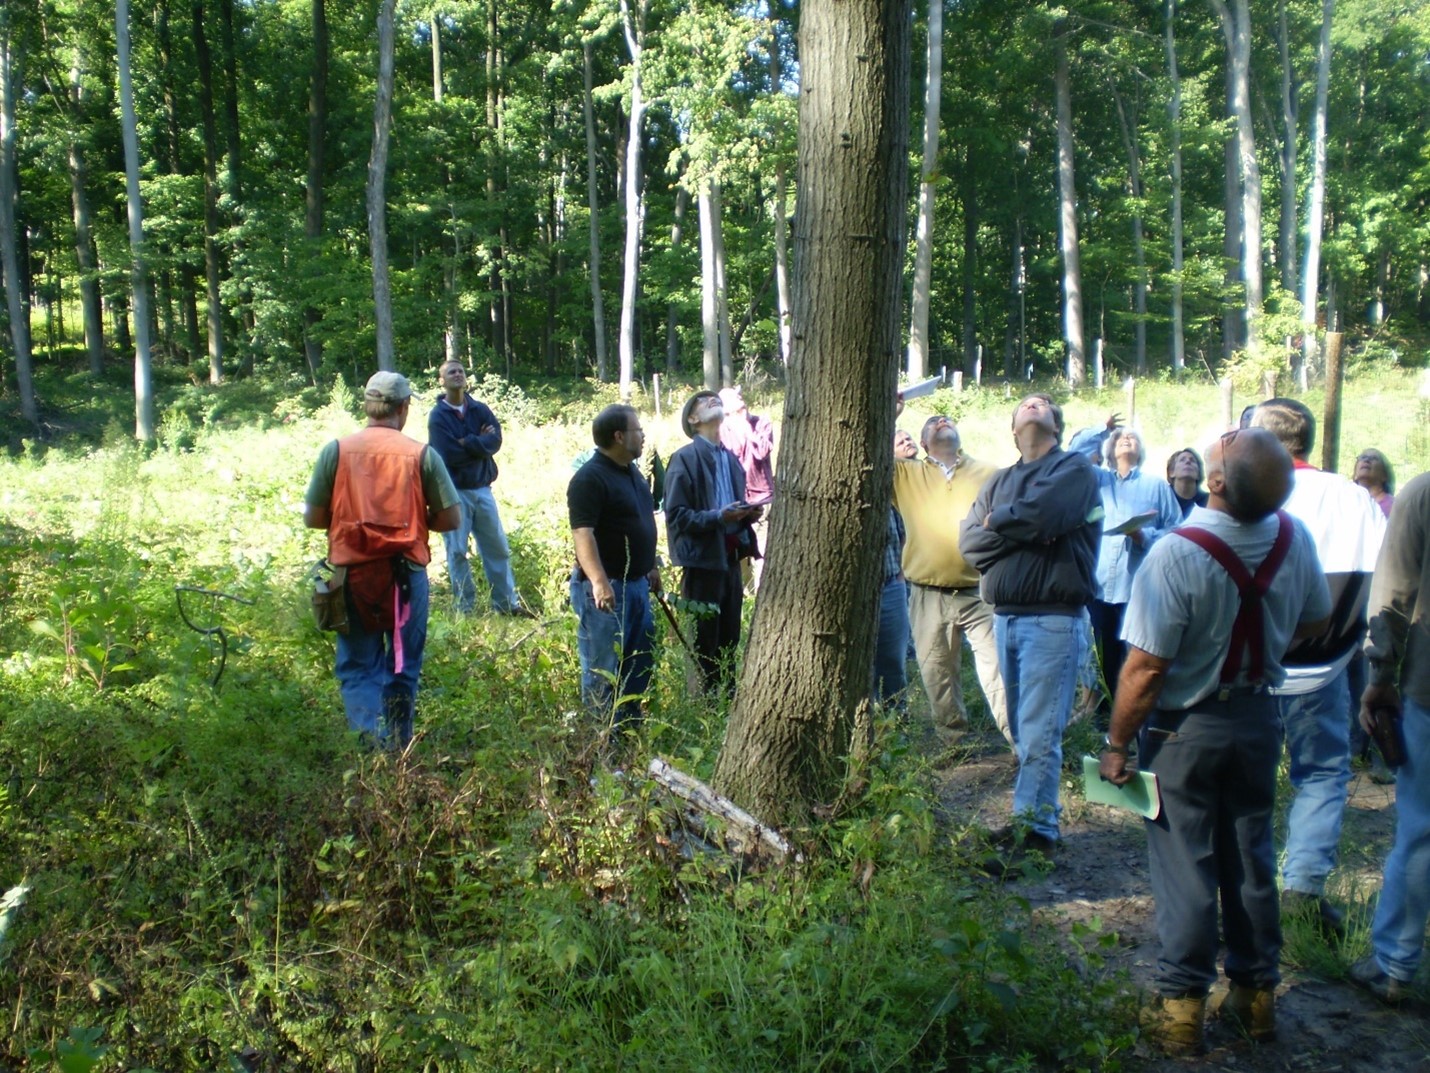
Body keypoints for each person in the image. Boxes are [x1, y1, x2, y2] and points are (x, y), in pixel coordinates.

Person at [1099, 428, 1331, 1053]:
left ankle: (1182, 1012)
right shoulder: (1292, 537)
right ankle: (1256, 1001)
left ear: (1219, 482)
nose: (1222, 438)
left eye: (1228, 445)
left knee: (1188, 868)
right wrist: (1260, 631)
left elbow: (1145, 668)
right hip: (1259, 717)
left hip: (1186, 731)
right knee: (1251, 859)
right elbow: (1316, 617)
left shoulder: (1177, 552)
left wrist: (1117, 744)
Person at [1251, 398, 1386, 938]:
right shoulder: (1352, 496)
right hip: (1326, 662)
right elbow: (1380, 576)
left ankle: (1248, 887)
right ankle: (1302, 886)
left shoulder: (1251, 490)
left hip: (1252, 664)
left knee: (1249, 776)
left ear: (1264, 440)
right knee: (1322, 774)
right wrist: (1367, 653)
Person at [960, 394, 1100, 856]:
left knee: (1039, 729)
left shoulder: (1074, 470)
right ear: (1013, 428)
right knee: (1023, 728)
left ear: (1057, 424)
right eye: (1025, 404)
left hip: (1053, 619)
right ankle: (1037, 824)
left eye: (1043, 404)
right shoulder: (1000, 480)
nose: (1033, 406)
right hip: (1005, 619)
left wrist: (999, 522)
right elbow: (970, 544)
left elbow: (1047, 514)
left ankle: (1033, 832)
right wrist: (1025, 530)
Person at [304, 371, 460, 747]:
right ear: (404, 408)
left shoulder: (336, 450)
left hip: (350, 578)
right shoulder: (421, 454)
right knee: (402, 663)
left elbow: (313, 517)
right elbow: (451, 518)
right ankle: (399, 748)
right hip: (404, 578)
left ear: (367, 406)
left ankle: (370, 749)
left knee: (358, 666)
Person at [1352, 471, 1430, 1003]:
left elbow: (1394, 594)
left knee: (1423, 830)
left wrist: (1378, 679)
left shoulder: (1422, 492)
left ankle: (1396, 965)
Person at [893, 414, 1008, 744]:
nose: (942, 421)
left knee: (999, 669)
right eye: (933, 422)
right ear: (924, 443)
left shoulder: (989, 474)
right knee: (936, 672)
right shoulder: (905, 473)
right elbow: (868, 452)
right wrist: (893, 411)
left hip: (981, 589)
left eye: (948, 420)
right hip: (928, 592)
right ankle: (954, 741)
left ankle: (1020, 742)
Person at [567, 404, 662, 730]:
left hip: (636, 585)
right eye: (637, 430)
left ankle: (627, 739)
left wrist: (651, 566)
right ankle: (598, 748)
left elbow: (641, 521)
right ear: (619, 436)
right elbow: (583, 533)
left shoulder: (632, 472)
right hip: (607, 592)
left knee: (638, 666)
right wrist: (598, 580)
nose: (643, 435)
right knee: (603, 670)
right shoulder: (589, 479)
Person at [665, 391, 763, 696]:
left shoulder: (731, 459)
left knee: (730, 638)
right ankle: (703, 706)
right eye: (703, 402)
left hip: (731, 560)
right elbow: (678, 516)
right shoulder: (684, 458)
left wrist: (748, 513)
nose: (712, 400)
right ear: (693, 420)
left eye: (714, 398)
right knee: (704, 641)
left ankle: (728, 703)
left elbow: (732, 509)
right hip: (702, 563)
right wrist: (718, 517)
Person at [426, 359, 530, 616]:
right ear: (442, 380)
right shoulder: (438, 416)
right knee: (457, 552)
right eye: (452, 372)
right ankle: (465, 609)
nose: (458, 375)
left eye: (461, 371)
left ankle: (507, 606)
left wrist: (468, 442)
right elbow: (446, 454)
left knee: (497, 548)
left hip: (483, 489)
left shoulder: (479, 409)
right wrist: (479, 444)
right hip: (452, 492)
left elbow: (495, 441)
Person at [1091, 428, 1182, 709]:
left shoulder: (1156, 486)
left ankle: (1135, 709)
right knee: (1102, 651)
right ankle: (1103, 711)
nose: (1125, 440)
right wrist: (1101, 430)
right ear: (1109, 449)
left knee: (1136, 652)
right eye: (1118, 438)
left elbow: (1177, 529)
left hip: (1138, 585)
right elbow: (1077, 456)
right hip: (1099, 582)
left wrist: (1145, 537)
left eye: (1132, 437)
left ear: (1141, 449)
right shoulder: (1098, 481)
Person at [718, 387, 775, 589]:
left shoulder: (761, 423)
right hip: (737, 502)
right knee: (739, 551)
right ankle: (745, 595)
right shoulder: (723, 430)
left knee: (764, 555)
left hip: (762, 499)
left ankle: (762, 594)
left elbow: (762, 451)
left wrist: (745, 428)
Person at [1167, 447, 1209, 520]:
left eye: (1192, 460)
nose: (1188, 461)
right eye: (1182, 460)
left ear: (1198, 474)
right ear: (1171, 472)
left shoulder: (1209, 501)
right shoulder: (1163, 498)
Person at [1353, 447, 1396, 519]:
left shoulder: (1394, 506)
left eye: (1374, 458)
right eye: (1363, 457)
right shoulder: (1345, 501)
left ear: (1384, 475)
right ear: (1355, 475)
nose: (1366, 460)